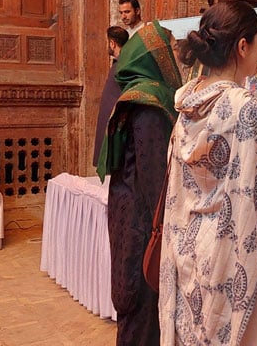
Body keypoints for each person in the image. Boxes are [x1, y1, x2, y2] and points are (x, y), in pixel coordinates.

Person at [158, 0, 257, 345]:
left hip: (192, 252)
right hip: (238, 257)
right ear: (242, 46)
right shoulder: (249, 112)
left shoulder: (186, 107)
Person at [96, 21, 183, 346]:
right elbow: (154, 179)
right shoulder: (150, 103)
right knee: (141, 307)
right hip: (142, 222)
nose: (176, 58)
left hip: (128, 212)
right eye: (171, 51)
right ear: (155, 56)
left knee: (133, 301)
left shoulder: (135, 94)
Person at [93, 26, 129, 167]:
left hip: (116, 127)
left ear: (112, 43)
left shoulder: (123, 65)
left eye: (106, 42)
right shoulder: (120, 63)